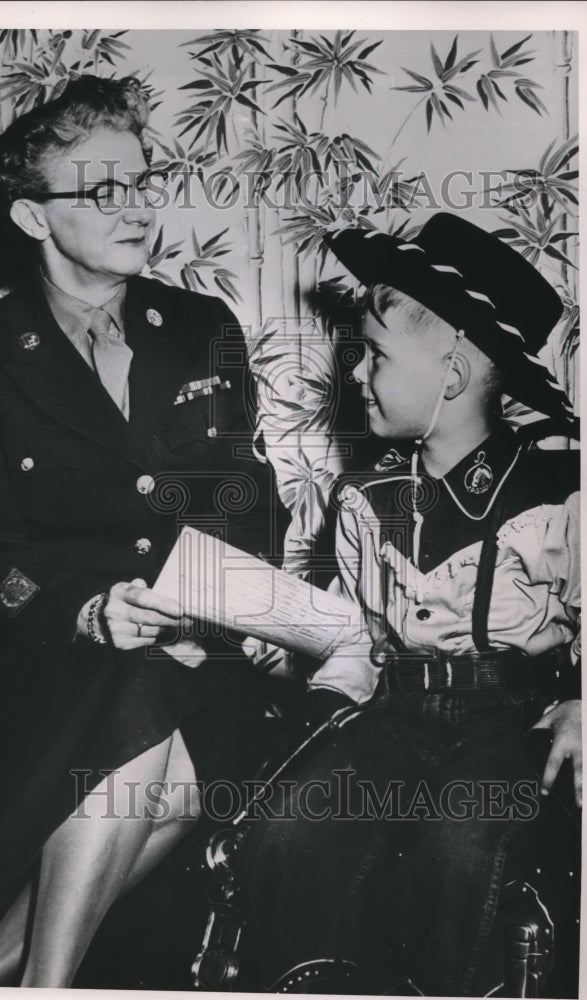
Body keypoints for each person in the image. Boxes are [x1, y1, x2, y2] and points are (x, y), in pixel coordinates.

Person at [0, 75, 282, 988]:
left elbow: (249, 495)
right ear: (34, 219)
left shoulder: (197, 326)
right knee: (146, 710)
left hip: (181, 653)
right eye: (102, 189)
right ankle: (47, 986)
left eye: (145, 181)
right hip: (25, 666)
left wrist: (218, 619)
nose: (138, 205)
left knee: (195, 720)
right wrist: (86, 614)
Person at [238, 213, 580, 995]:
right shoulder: (365, 498)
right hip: (394, 714)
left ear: (451, 378)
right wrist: (294, 649)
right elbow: (357, 633)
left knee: (459, 843)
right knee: (293, 829)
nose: (354, 373)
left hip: (511, 723)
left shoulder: (554, 497)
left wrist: (580, 703)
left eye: (374, 356)